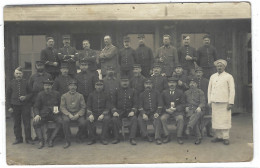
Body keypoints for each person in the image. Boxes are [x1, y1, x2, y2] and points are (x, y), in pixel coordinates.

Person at [208, 59, 235, 145]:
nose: (219, 67)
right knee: (216, 119)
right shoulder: (213, 76)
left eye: (221, 66)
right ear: (216, 67)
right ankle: (218, 136)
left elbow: (232, 90)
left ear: (224, 67)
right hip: (215, 102)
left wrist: (230, 102)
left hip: (224, 102)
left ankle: (226, 137)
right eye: (218, 66)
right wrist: (210, 101)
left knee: (225, 120)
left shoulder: (229, 76)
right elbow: (209, 89)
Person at [6, 67, 34, 145]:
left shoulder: (26, 82)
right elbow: (7, 96)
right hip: (15, 106)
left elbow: (31, 93)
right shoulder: (11, 83)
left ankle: (28, 138)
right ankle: (18, 138)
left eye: (20, 73)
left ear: (22, 74)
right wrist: (9, 107)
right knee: (16, 123)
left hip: (25, 105)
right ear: (14, 74)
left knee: (27, 123)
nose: (18, 75)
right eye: (17, 73)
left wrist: (26, 97)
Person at [33, 79, 62, 149]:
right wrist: (37, 114)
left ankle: (51, 139)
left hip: (54, 114)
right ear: (43, 86)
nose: (47, 87)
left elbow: (61, 105)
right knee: (35, 122)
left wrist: (59, 111)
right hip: (43, 114)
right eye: (45, 85)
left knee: (61, 122)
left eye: (49, 85)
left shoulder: (57, 94)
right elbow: (36, 107)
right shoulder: (40, 94)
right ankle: (41, 140)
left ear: (51, 86)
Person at [111, 76, 138, 145]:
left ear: (129, 82)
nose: (125, 83)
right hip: (119, 111)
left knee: (134, 118)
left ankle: (132, 138)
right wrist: (114, 111)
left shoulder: (133, 91)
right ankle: (116, 138)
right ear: (120, 82)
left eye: (126, 81)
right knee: (114, 119)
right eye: (123, 81)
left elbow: (135, 103)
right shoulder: (116, 91)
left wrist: (133, 111)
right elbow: (112, 103)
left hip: (129, 111)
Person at [60, 80, 87, 148]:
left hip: (77, 113)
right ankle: (67, 140)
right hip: (67, 113)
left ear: (76, 87)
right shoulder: (64, 96)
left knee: (83, 123)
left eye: (74, 86)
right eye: (71, 85)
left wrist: (78, 115)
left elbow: (83, 107)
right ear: (68, 87)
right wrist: (69, 114)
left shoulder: (80, 96)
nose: (73, 87)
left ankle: (78, 136)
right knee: (65, 121)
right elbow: (62, 107)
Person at [160, 77, 185, 144]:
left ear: (176, 84)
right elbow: (161, 104)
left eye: (173, 82)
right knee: (162, 118)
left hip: (177, 111)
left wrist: (176, 108)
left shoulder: (180, 92)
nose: (172, 84)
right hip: (167, 111)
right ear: (168, 84)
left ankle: (179, 136)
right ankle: (167, 135)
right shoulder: (164, 92)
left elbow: (183, 104)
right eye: (170, 82)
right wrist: (166, 109)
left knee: (180, 118)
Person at [138, 79, 163, 145]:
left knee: (157, 120)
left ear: (152, 85)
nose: (148, 85)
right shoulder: (141, 94)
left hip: (154, 112)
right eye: (146, 84)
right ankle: (146, 136)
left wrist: (157, 112)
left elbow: (160, 104)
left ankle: (157, 138)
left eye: (149, 84)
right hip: (145, 112)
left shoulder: (157, 93)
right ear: (144, 85)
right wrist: (143, 114)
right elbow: (140, 106)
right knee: (140, 119)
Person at [86, 80, 111, 145]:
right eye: (97, 85)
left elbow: (108, 107)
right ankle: (92, 138)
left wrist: (103, 114)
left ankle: (103, 138)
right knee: (89, 120)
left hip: (103, 113)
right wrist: (90, 114)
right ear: (95, 86)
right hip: (94, 113)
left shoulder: (106, 94)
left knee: (107, 119)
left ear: (103, 86)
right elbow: (88, 106)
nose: (99, 87)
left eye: (100, 85)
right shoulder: (91, 94)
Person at [184, 77, 206, 145]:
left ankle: (188, 127)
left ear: (196, 84)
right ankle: (198, 137)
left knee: (196, 114)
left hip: (199, 110)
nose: (192, 84)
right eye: (190, 83)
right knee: (195, 120)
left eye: (194, 83)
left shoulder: (200, 92)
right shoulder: (186, 92)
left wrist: (199, 107)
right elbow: (183, 102)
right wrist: (186, 106)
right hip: (190, 110)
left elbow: (203, 102)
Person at [195, 67, 213, 137]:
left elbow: (209, 92)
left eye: (200, 72)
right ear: (195, 73)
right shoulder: (193, 81)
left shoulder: (206, 81)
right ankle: (197, 131)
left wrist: (209, 101)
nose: (198, 74)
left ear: (202, 73)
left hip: (205, 101)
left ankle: (209, 131)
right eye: (197, 72)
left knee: (208, 117)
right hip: (196, 102)